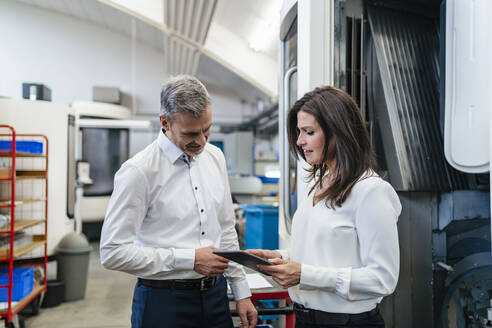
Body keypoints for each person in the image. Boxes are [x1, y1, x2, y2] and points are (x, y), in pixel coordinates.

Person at [100, 75, 257, 328]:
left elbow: (226, 227)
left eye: (207, 129)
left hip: (216, 298)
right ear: (165, 122)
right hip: (163, 302)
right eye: (191, 133)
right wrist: (189, 259)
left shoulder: (214, 157)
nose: (202, 141)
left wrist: (241, 290)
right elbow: (112, 252)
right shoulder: (139, 171)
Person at [248, 86, 401, 327]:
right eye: (299, 132)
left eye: (309, 132)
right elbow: (327, 253)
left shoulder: (370, 191)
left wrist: (304, 274)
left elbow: (383, 278)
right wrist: (281, 258)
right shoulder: (318, 186)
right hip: (306, 318)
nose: (300, 142)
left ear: (338, 132)